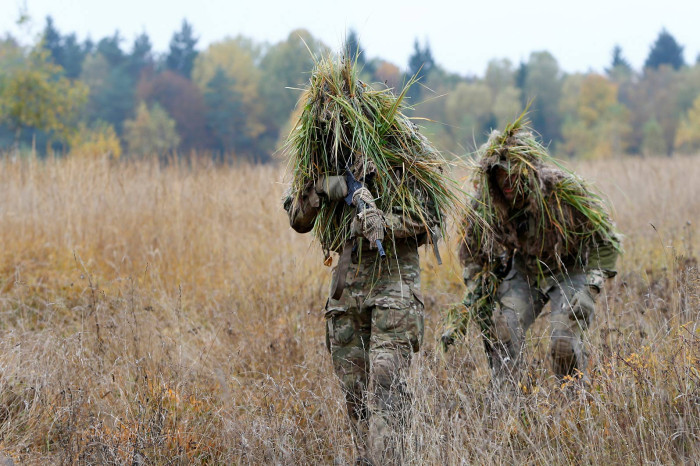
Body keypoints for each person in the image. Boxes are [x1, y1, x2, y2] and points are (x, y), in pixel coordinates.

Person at [282, 55, 453, 464]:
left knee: (386, 379)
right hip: (348, 290)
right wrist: (325, 189)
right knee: (354, 389)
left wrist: (382, 222)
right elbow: (298, 220)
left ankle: (392, 458)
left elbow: (431, 219)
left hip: (394, 285)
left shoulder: (399, 151)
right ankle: (367, 458)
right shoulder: (320, 158)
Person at [445, 118, 621, 388]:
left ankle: (574, 400)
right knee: (503, 328)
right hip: (525, 271)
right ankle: (503, 407)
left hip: (568, 270)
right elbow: (471, 251)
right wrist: (477, 289)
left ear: (527, 170)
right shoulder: (487, 203)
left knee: (563, 342)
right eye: (499, 175)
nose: (506, 182)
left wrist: (591, 288)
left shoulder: (562, 191)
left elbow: (607, 240)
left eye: (512, 173)